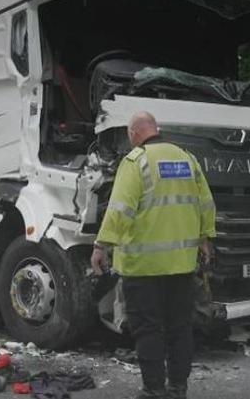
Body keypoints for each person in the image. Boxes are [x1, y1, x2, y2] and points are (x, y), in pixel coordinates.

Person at [91, 112, 215, 399]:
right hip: (182, 265)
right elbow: (206, 203)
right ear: (156, 129)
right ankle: (178, 389)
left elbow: (119, 210)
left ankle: (154, 390)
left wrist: (101, 245)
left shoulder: (136, 162)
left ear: (134, 134)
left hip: (143, 268)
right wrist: (205, 237)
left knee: (148, 330)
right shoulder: (187, 159)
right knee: (180, 328)